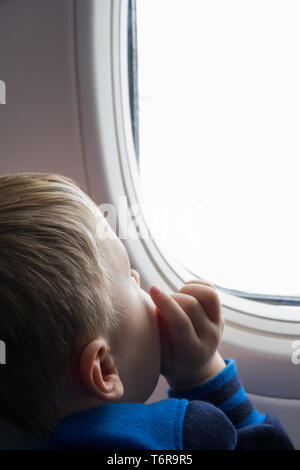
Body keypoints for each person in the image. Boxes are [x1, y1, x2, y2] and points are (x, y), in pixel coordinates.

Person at [0, 172, 294, 450]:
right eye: (128, 277)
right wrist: (203, 376)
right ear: (104, 369)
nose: (139, 278)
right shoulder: (185, 434)